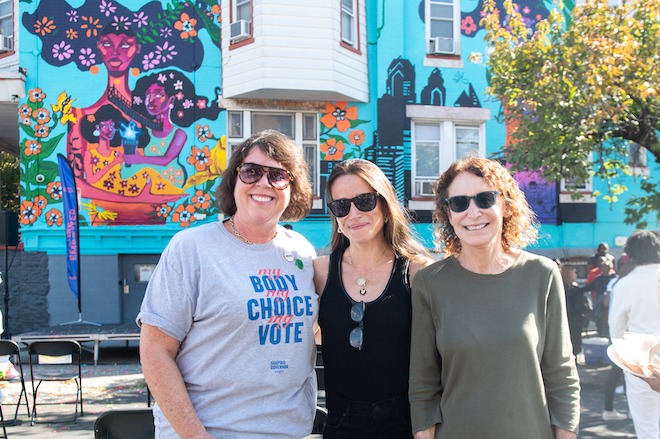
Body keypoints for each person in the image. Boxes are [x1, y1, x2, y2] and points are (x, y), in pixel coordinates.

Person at [137, 130, 318, 438]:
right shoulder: (190, 248)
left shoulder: (302, 251)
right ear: (234, 179)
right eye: (251, 171)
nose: (263, 183)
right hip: (209, 432)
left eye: (278, 175)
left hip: (288, 431)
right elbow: (155, 352)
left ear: (293, 187)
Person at [409, 157, 580, 439]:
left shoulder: (542, 274)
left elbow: (561, 372)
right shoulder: (430, 283)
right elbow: (423, 380)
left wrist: (566, 433)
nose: (472, 212)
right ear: (448, 214)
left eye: (485, 199)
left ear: (506, 205)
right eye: (459, 203)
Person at [314, 158, 433, 438]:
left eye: (365, 201)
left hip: (406, 427)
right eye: (341, 206)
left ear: (385, 205)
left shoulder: (418, 271)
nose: (353, 213)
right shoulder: (318, 272)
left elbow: (436, 357)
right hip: (339, 426)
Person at [609, 229, 660, 439]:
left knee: (646, 426)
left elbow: (616, 328)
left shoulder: (625, 284)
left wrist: (626, 361)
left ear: (631, 254)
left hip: (642, 360)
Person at [560, 263, 588, 360]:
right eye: (574, 272)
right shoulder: (576, 290)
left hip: (559, 320)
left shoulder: (557, 288)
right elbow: (580, 306)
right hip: (574, 321)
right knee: (574, 347)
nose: (576, 274)